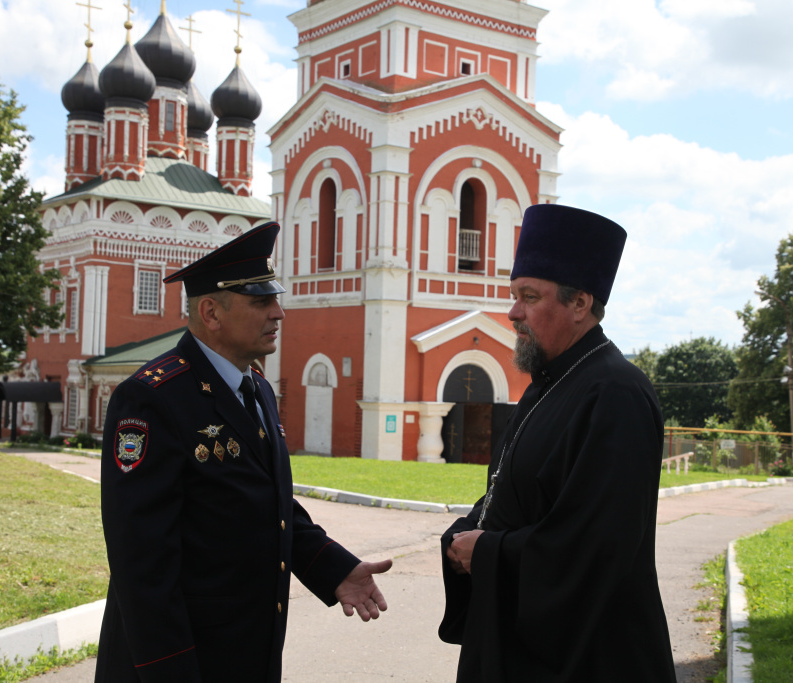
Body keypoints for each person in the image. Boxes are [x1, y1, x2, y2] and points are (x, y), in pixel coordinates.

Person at [95, 222, 391, 683]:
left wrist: (332, 567)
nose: (279, 313)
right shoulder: (153, 398)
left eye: (275, 299)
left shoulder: (255, 388)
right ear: (211, 312)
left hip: (246, 653)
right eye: (261, 302)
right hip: (182, 661)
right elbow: (141, 561)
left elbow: (266, 501)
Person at [438, 204, 676, 682]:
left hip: (587, 658)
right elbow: (516, 493)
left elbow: (597, 546)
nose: (512, 312)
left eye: (529, 296)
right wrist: (466, 531)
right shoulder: (549, 382)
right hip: (523, 646)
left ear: (579, 304)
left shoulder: (615, 393)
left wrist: (487, 552)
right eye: (513, 295)